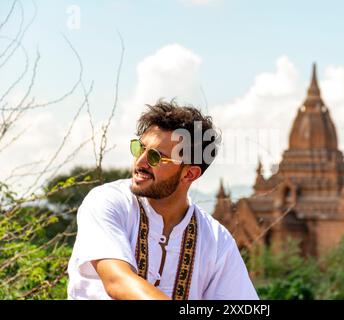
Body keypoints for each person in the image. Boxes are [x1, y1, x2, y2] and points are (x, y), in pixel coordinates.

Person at [67, 100, 259, 300]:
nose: (140, 162)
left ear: (189, 174)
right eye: (140, 149)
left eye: (156, 157)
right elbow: (118, 281)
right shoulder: (108, 202)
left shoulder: (217, 241)